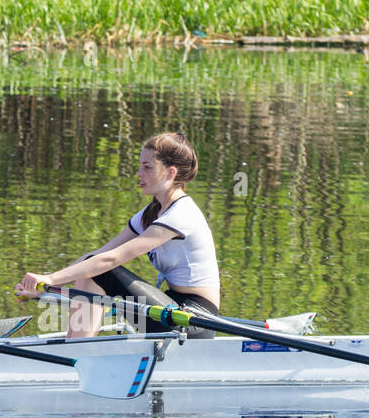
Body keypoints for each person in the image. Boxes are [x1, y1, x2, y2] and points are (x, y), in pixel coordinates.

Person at [15, 132, 220, 339]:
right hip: (169, 309)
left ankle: (77, 352)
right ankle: (78, 348)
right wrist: (46, 286)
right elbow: (100, 254)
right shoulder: (151, 213)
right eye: (140, 165)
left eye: (147, 167)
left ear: (170, 173)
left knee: (100, 270)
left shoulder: (181, 214)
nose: (139, 173)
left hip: (194, 322)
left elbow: (111, 259)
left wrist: (51, 279)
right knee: (91, 267)